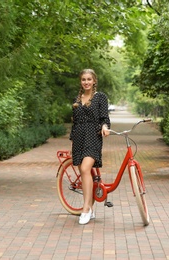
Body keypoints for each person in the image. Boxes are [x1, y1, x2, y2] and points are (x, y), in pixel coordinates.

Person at [70, 69, 111, 225]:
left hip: (93, 137)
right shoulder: (77, 99)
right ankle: (90, 208)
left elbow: (104, 117)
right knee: (84, 172)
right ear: (81, 82)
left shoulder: (100, 97)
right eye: (83, 79)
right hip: (79, 138)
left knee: (86, 169)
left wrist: (105, 127)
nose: (86, 82)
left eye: (89, 79)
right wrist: (72, 140)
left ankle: (86, 209)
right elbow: (75, 122)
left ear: (94, 81)